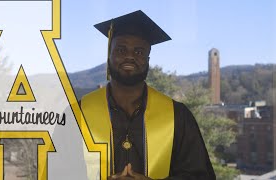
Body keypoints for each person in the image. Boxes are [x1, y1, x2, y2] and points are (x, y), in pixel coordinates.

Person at [80, 10, 216, 180]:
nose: (129, 56)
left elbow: (200, 176)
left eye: (138, 52)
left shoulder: (177, 116)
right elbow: (56, 170)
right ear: (109, 54)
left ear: (148, 59)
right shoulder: (77, 114)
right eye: (121, 50)